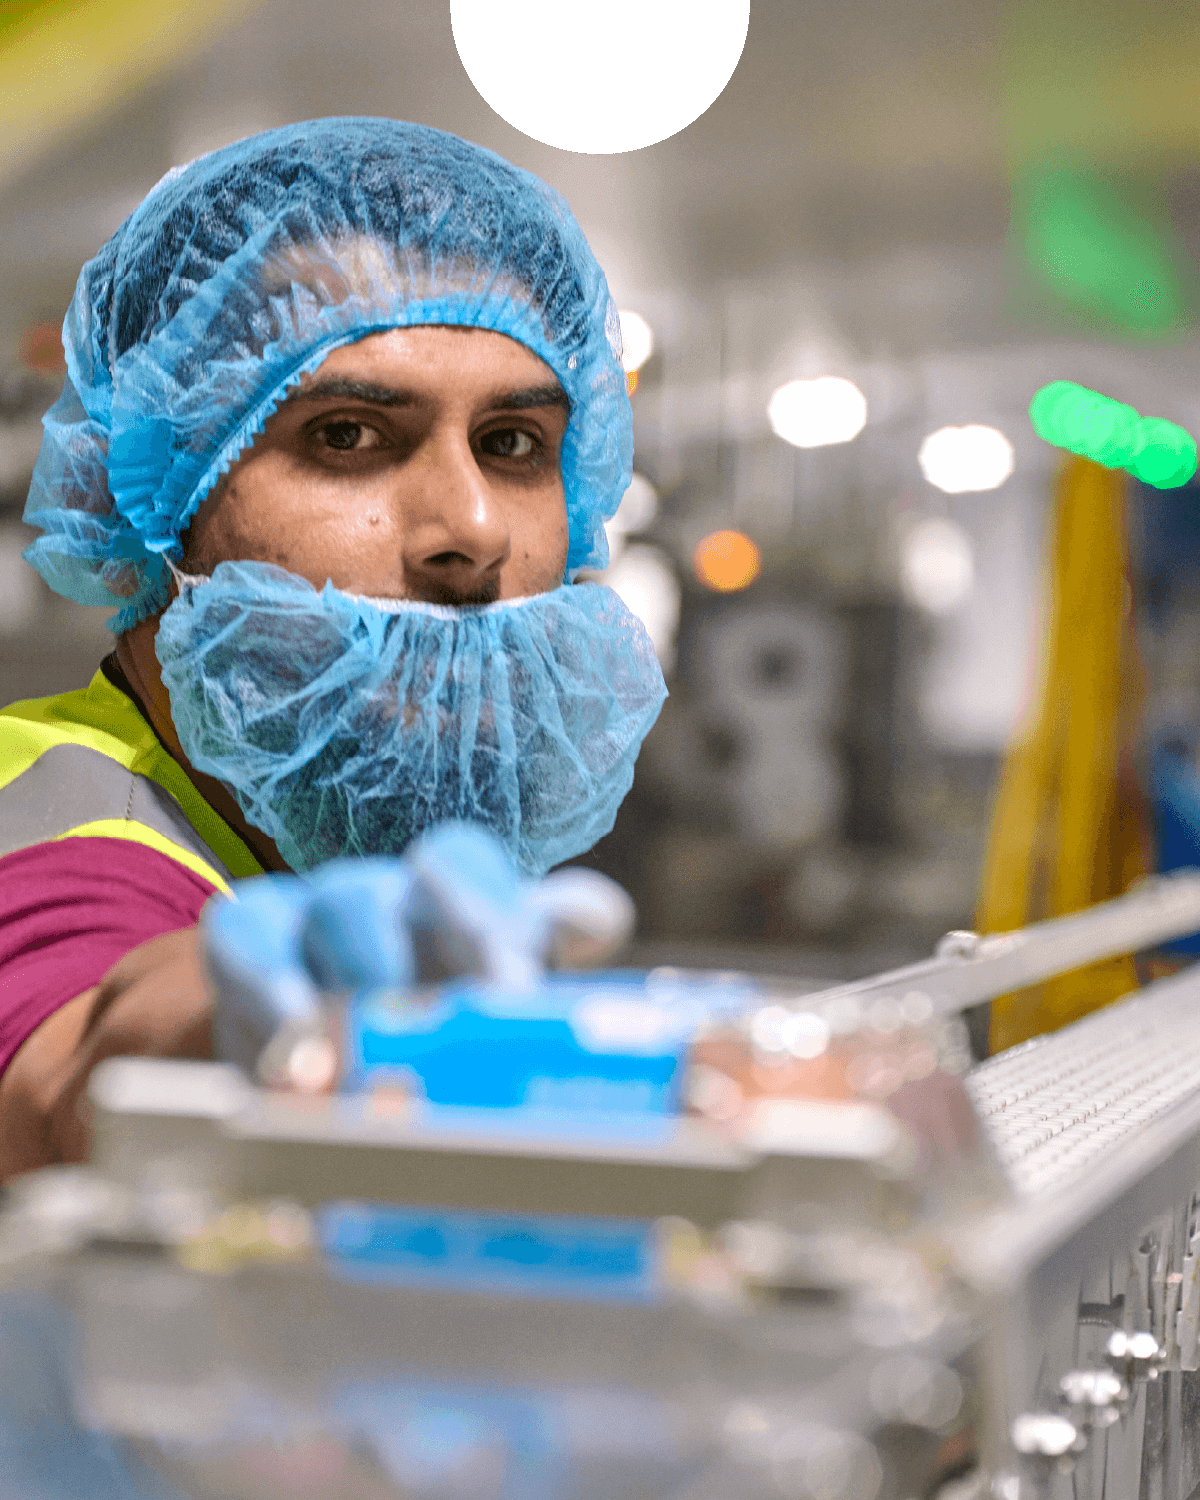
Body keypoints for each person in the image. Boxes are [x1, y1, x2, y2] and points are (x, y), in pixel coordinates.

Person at [0, 118, 667, 1180]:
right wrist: (216, 1043)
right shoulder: (62, 842)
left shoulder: (290, 840)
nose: (474, 528)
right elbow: (65, 1058)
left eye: (512, 444)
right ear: (153, 496)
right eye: (347, 435)